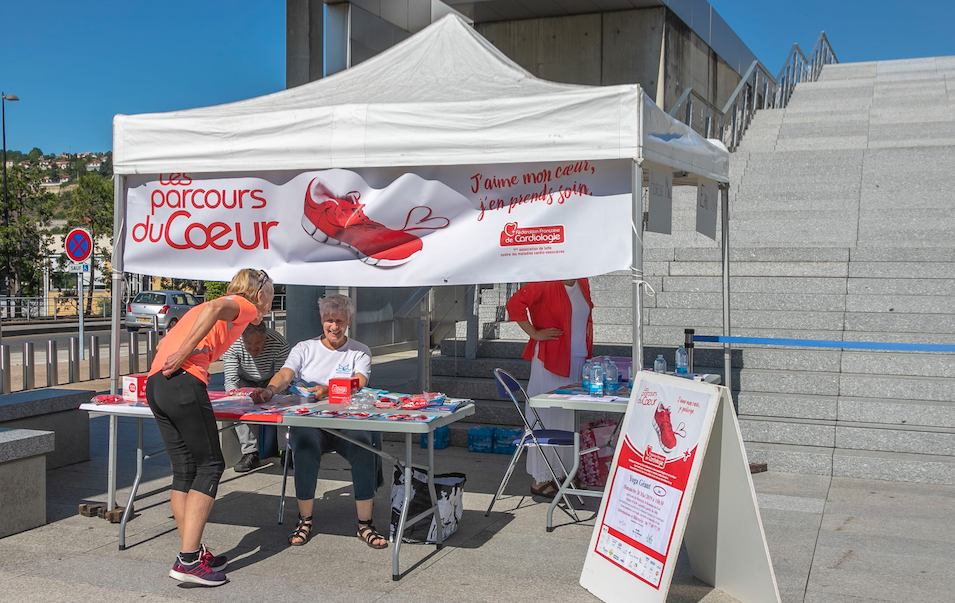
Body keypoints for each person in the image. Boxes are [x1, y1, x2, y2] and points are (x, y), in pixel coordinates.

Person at [145, 268, 273, 587]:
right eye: (271, 295)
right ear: (259, 293)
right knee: (212, 464)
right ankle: (188, 560)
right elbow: (216, 310)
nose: (271, 302)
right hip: (183, 380)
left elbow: (203, 317)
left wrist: (180, 353)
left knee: (185, 470)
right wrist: (186, 352)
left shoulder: (229, 306)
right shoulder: (241, 304)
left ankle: (192, 551)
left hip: (157, 383)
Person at [252, 293, 387, 549]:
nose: (334, 326)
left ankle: (365, 524)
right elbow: (285, 374)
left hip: (347, 420)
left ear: (349, 320)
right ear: (321, 320)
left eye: (339, 320)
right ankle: (304, 518)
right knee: (302, 444)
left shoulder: (360, 351)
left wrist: (327, 389)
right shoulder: (304, 348)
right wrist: (269, 390)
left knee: (363, 444)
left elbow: (359, 382)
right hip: (311, 422)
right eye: (328, 320)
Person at [506, 278, 594, 499]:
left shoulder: (583, 282)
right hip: (550, 358)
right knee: (546, 415)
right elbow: (514, 305)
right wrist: (534, 333)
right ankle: (540, 478)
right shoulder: (544, 282)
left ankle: (564, 472)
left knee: (567, 416)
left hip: (577, 359)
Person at [221, 321, 291, 472]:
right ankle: (250, 452)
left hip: (273, 380)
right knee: (238, 405)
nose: (253, 347)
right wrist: (240, 396)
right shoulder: (232, 343)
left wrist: (271, 393)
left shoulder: (279, 343)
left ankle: (287, 450)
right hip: (245, 381)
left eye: (258, 343)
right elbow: (230, 381)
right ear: (242, 339)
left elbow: (283, 378)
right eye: (248, 343)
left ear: (266, 338)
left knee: (285, 402)